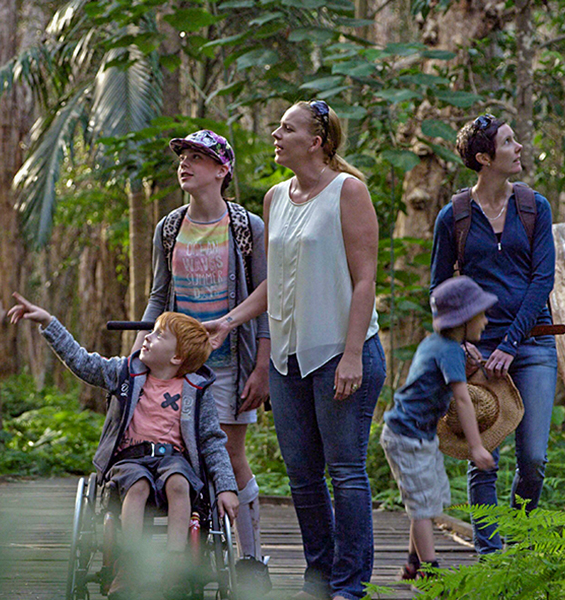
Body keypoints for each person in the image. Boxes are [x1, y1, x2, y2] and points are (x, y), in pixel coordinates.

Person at [205, 100, 386, 600]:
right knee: (302, 476)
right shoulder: (274, 198)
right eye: (277, 127)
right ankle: (318, 577)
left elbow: (365, 280)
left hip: (340, 354)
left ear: (317, 141)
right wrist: (230, 320)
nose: (276, 135)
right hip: (288, 360)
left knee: (345, 470)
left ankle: (350, 585)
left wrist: (352, 354)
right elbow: (275, 281)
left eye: (287, 128)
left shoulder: (349, 192)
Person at [7, 296, 238, 599]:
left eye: (158, 335)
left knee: (180, 484)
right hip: (131, 460)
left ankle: (175, 565)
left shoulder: (195, 390)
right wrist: (48, 322)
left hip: (174, 461)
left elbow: (211, 441)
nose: (147, 337)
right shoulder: (126, 374)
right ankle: (130, 564)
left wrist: (226, 487)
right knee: (138, 485)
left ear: (177, 358)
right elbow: (81, 361)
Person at [132, 129, 271, 583]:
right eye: (183, 156)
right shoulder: (169, 228)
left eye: (197, 157)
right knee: (178, 452)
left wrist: (262, 365)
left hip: (230, 361)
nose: (185, 164)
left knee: (230, 456)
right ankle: (190, 546)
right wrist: (139, 351)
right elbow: (158, 296)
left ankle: (250, 558)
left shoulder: (247, 228)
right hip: (176, 361)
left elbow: (264, 298)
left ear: (221, 170)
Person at [429, 113, 559, 555]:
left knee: (534, 461)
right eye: (508, 142)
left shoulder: (534, 206)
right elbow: (439, 286)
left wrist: (511, 344)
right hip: (479, 352)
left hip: (534, 343)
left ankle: (518, 541)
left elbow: (543, 279)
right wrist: (458, 340)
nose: (519, 147)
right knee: (482, 455)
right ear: (484, 158)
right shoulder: (454, 216)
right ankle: (491, 555)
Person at [380, 276, 496, 581]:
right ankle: (431, 575)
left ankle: (412, 563)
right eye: (481, 314)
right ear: (464, 319)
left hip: (417, 433)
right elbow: (462, 400)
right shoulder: (449, 351)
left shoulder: (439, 345)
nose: (485, 320)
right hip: (406, 436)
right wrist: (476, 447)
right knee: (421, 506)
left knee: (425, 502)